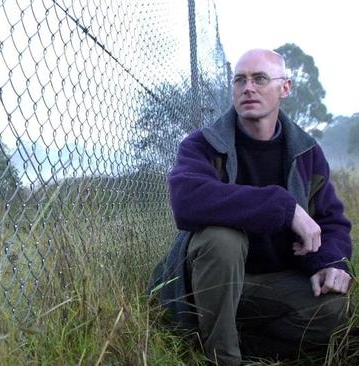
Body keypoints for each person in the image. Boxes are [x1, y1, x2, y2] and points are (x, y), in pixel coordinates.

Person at [150, 49, 352, 365]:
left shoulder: (307, 153)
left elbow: (331, 221)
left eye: (260, 79)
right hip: (206, 282)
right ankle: (223, 358)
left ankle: (232, 341)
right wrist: (284, 207)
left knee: (336, 307)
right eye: (240, 80)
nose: (249, 88)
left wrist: (330, 263)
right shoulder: (204, 144)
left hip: (266, 284)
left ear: (284, 88)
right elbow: (186, 201)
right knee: (222, 238)